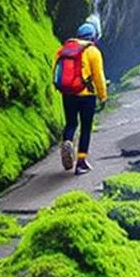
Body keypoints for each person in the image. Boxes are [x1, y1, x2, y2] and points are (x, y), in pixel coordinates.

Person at [55, 16, 108, 172]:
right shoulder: (93, 51)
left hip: (68, 93)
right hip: (86, 95)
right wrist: (103, 96)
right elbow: (98, 76)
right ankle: (81, 163)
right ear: (93, 36)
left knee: (71, 123)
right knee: (86, 127)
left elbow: (57, 72)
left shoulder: (63, 50)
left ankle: (68, 140)